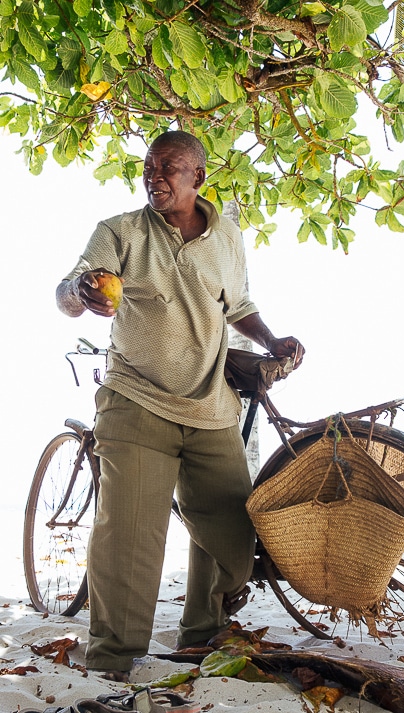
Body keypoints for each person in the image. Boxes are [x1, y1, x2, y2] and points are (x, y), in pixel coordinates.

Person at [55, 131, 305, 680]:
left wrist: (271, 340)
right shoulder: (120, 231)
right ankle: (113, 660)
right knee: (130, 535)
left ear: (199, 178)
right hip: (135, 401)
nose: (154, 176)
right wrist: (82, 290)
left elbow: (237, 304)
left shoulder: (227, 238)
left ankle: (202, 635)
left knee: (233, 534)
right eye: (149, 167)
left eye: (169, 167)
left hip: (211, 407)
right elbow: (69, 290)